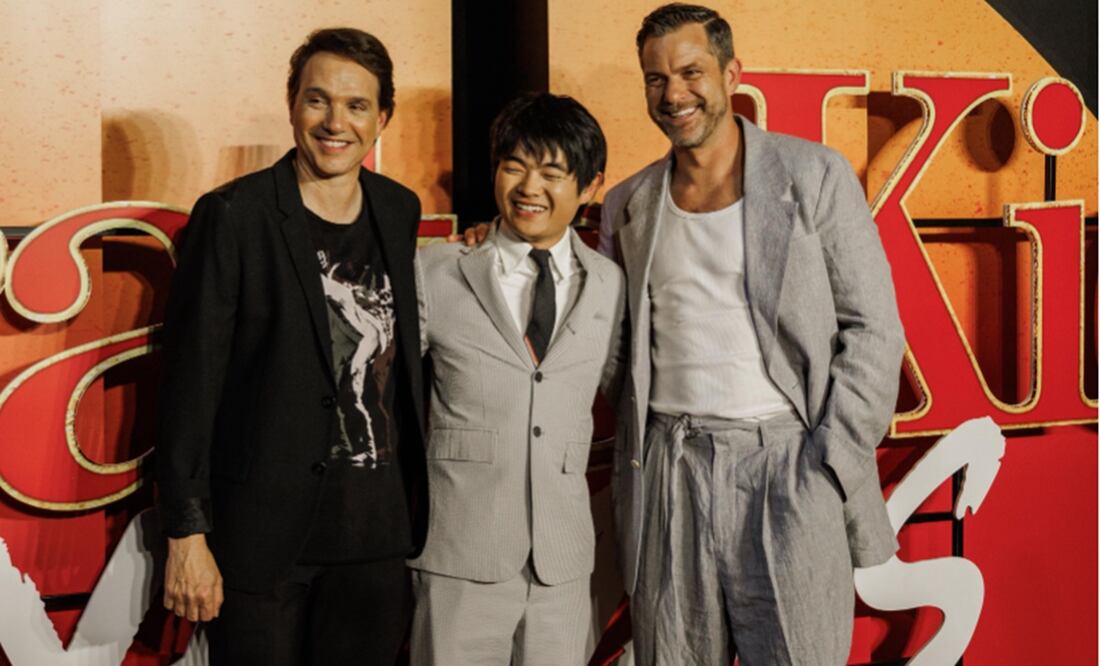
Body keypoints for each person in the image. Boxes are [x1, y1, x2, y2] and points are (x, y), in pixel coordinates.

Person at [601, 5, 906, 664]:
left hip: (786, 464)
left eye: (690, 72)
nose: (674, 94)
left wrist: (826, 461)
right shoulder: (629, 202)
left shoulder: (814, 174)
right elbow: (612, 346)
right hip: (670, 469)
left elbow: (874, 326)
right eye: (656, 79)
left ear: (731, 73)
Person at [155, 27, 426, 665]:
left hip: (377, 536)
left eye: (358, 106)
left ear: (382, 117)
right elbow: (191, 383)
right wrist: (186, 533)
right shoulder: (235, 215)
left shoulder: (399, 209)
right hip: (264, 541)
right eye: (318, 100)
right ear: (292, 106)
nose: (336, 122)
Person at [411, 92, 626, 665]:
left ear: (590, 186)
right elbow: (385, 398)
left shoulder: (609, 284)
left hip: (563, 561)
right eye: (515, 166)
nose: (529, 186)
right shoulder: (438, 269)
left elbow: (628, 393)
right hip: (460, 553)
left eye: (552, 172)